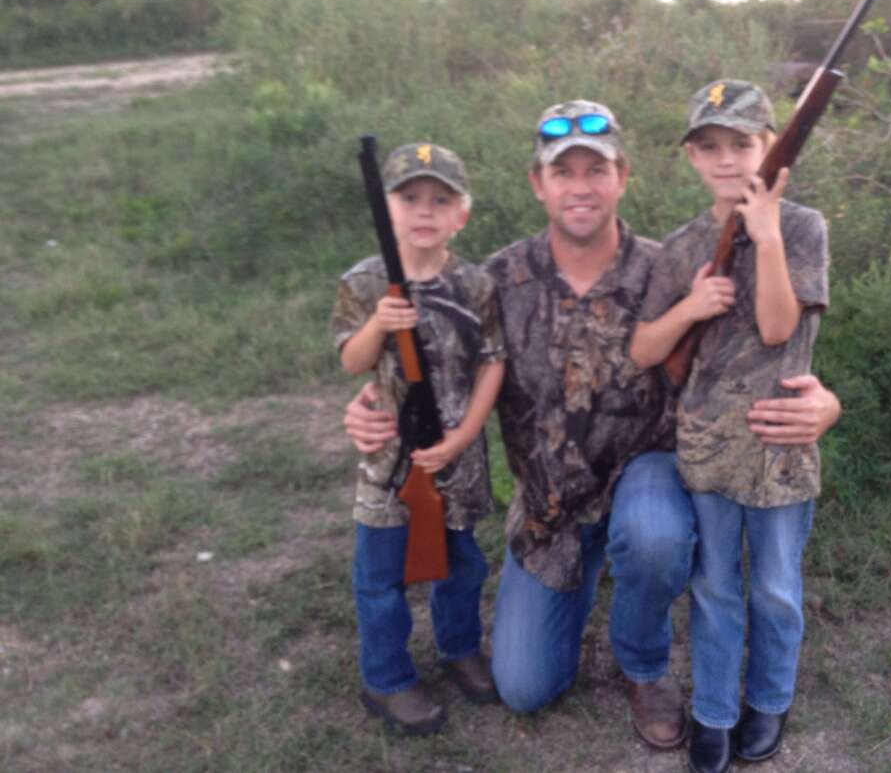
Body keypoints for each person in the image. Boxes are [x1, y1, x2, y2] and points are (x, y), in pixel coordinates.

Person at [342, 100, 843, 751]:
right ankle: (577, 590)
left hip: (645, 478)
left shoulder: (670, 266)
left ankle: (642, 665)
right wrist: (370, 408)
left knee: (656, 538)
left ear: (622, 177)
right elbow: (432, 369)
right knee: (524, 687)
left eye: (596, 170)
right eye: (563, 171)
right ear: (538, 183)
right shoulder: (494, 281)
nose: (580, 186)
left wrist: (825, 403)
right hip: (549, 507)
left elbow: (751, 353)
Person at [630, 80, 828, 773]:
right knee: (714, 587)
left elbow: (777, 329)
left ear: (771, 148)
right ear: (691, 157)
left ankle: (768, 700)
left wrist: (765, 237)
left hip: (780, 449)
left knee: (775, 586)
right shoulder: (682, 246)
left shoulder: (801, 227)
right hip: (707, 450)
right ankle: (714, 712)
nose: (726, 159)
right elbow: (644, 350)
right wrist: (690, 307)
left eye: (742, 144)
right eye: (709, 146)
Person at [331, 143, 506, 736]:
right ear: (388, 209)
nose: (424, 210)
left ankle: (461, 649)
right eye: (409, 198)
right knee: (380, 576)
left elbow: (493, 362)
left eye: (440, 199)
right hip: (387, 464)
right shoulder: (364, 282)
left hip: (458, 460)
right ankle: (386, 680)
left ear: (462, 214)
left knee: (462, 565)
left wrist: (465, 435)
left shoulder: (475, 284)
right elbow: (352, 361)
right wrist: (381, 322)